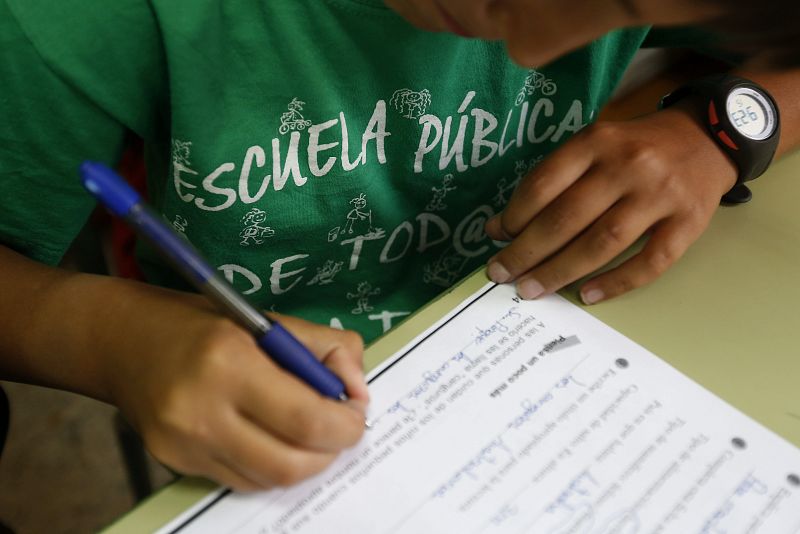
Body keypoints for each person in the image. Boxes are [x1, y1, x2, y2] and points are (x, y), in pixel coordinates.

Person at [0, 0, 797, 492]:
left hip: (564, 371)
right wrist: (108, 337)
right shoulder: (76, 16)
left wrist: (726, 128)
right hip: (251, 398)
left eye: (623, 6)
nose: (536, 49)